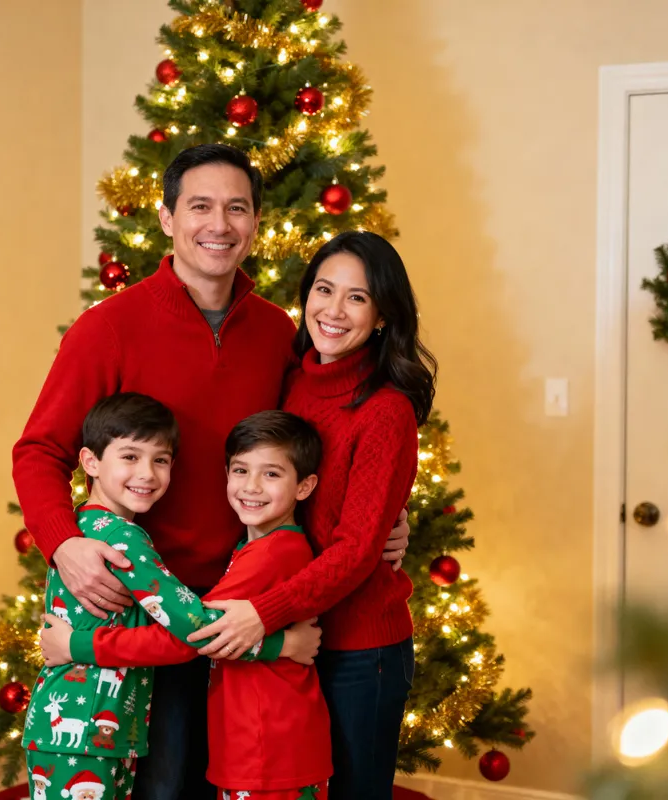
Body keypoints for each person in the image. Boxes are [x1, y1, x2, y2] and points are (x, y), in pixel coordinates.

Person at [12, 144, 409, 800]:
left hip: (243, 607)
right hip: (148, 610)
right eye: (200, 206)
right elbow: (38, 451)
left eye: (236, 208)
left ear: (256, 223)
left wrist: (389, 525)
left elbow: (315, 454)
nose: (218, 224)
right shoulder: (107, 329)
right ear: (167, 218)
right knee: (159, 786)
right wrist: (66, 545)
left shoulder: (281, 334)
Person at [189, 232, 437, 799]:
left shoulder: (386, 411)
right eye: (324, 290)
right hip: (301, 637)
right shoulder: (293, 382)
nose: (333, 310)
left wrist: (262, 613)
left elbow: (354, 550)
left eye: (357, 298)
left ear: (380, 316)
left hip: (358, 650)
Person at [22, 393, 302, 800]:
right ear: (90, 462)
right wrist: (284, 643)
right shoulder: (121, 537)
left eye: (161, 460)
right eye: (130, 457)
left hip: (95, 729)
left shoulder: (83, 524)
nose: (148, 474)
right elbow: (195, 629)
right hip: (83, 731)